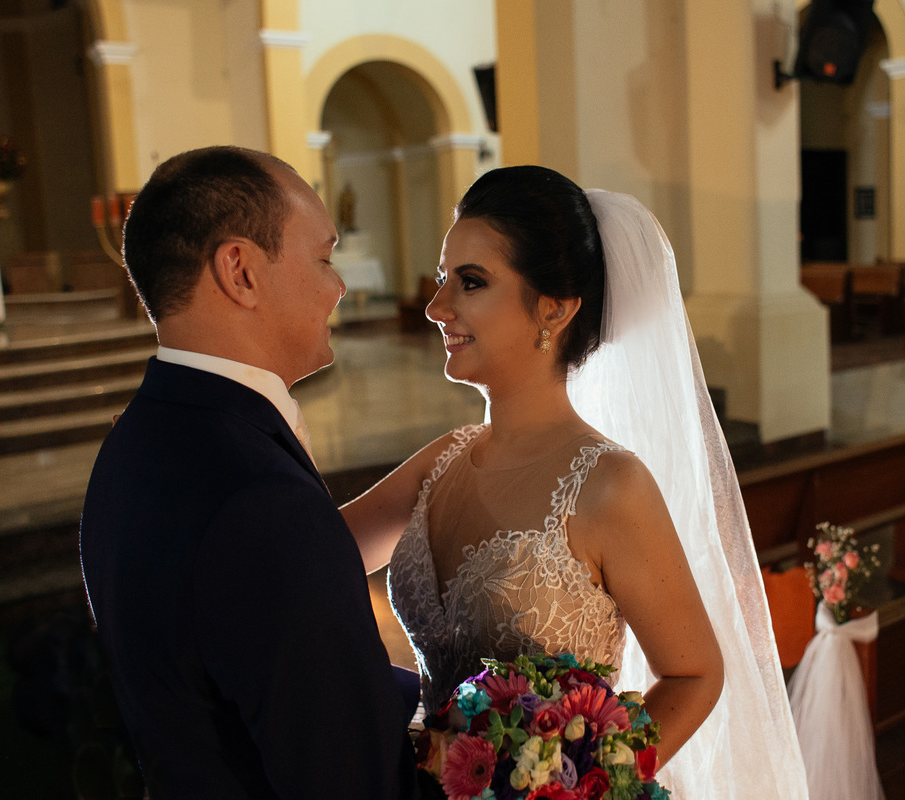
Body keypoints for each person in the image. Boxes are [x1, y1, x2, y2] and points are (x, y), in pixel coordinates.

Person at [344, 166, 809, 799]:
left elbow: (695, 674)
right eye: (442, 279)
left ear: (555, 309)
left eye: (471, 282)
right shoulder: (440, 461)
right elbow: (316, 554)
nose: (436, 307)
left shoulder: (609, 485)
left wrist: (588, 781)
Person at [80, 146, 423, 799]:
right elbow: (350, 777)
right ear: (240, 271)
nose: (339, 286)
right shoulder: (260, 499)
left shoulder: (134, 442)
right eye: (323, 258)